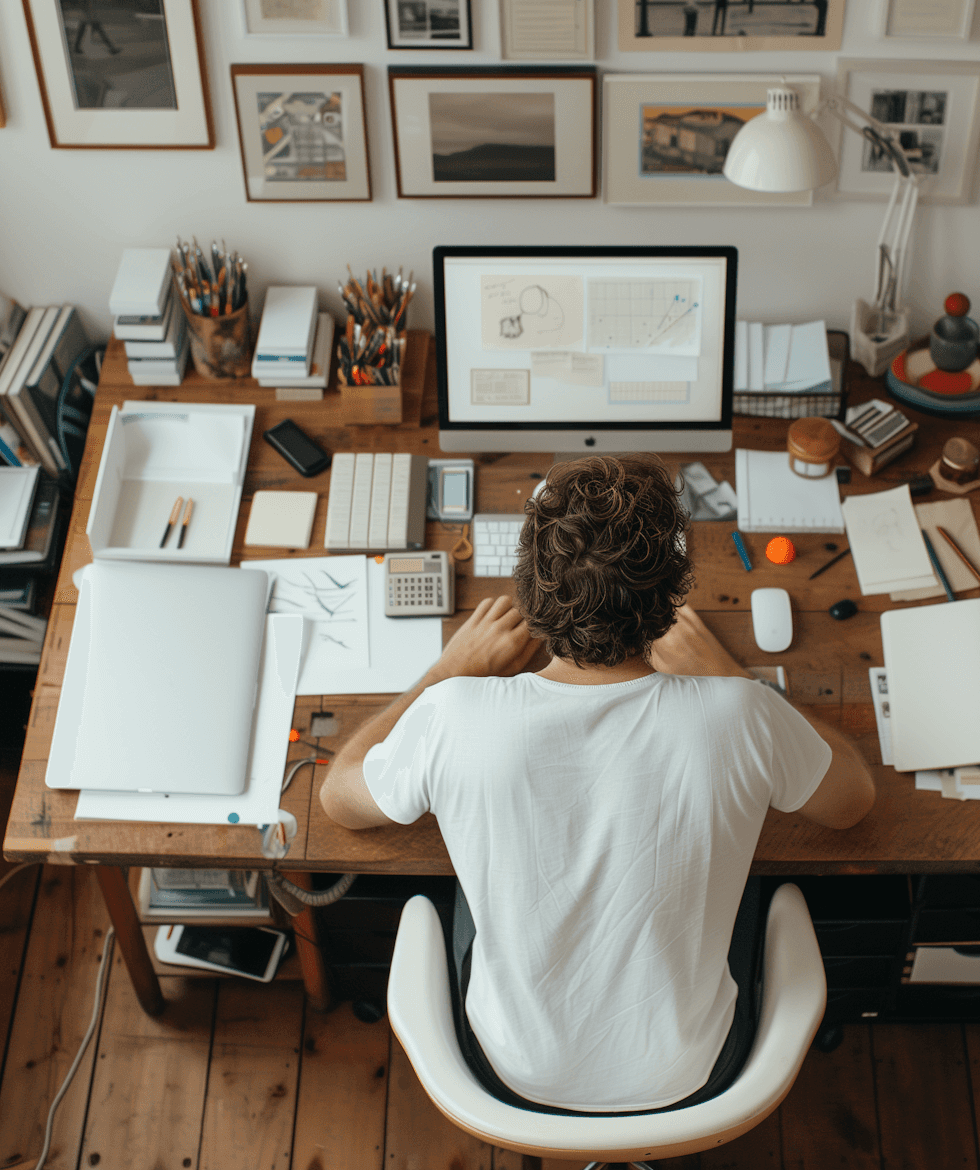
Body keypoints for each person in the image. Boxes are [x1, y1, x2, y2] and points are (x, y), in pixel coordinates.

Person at [319, 455, 875, 1114]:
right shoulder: (740, 713)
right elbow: (852, 802)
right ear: (672, 598)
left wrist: (445, 672)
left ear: (531, 591)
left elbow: (338, 798)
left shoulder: (454, 713)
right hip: (695, 1070)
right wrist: (728, 672)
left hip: (509, 1069)